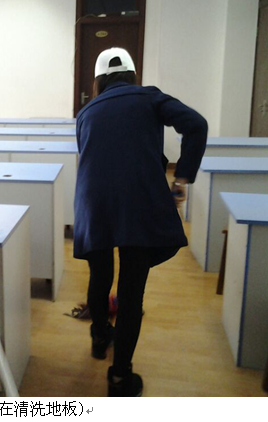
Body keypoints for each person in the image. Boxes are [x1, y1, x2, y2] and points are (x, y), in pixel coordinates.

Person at [74, 48, 208, 397]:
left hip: (93, 203)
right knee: (131, 294)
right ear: (132, 75)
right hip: (137, 202)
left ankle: (99, 337)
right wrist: (182, 178)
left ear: (98, 81)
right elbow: (196, 125)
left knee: (100, 275)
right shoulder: (149, 97)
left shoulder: (86, 112)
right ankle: (120, 378)